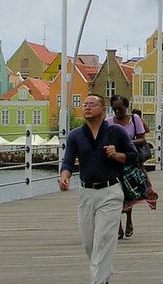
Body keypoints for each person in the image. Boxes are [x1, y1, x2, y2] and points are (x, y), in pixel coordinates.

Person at [59, 93, 137, 284]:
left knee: (103, 240)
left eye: (92, 104)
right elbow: (68, 161)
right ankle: (104, 273)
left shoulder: (116, 132)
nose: (87, 107)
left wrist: (116, 154)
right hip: (86, 192)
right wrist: (64, 177)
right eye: (85, 104)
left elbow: (134, 156)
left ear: (103, 110)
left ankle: (98, 281)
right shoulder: (76, 135)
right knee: (89, 243)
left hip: (110, 192)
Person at [106, 95, 148, 240]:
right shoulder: (109, 122)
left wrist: (128, 143)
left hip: (130, 161)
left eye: (121, 108)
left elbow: (143, 138)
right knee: (114, 195)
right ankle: (118, 227)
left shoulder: (134, 119)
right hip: (114, 162)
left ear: (126, 107)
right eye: (115, 109)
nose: (118, 112)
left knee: (129, 193)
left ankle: (129, 219)